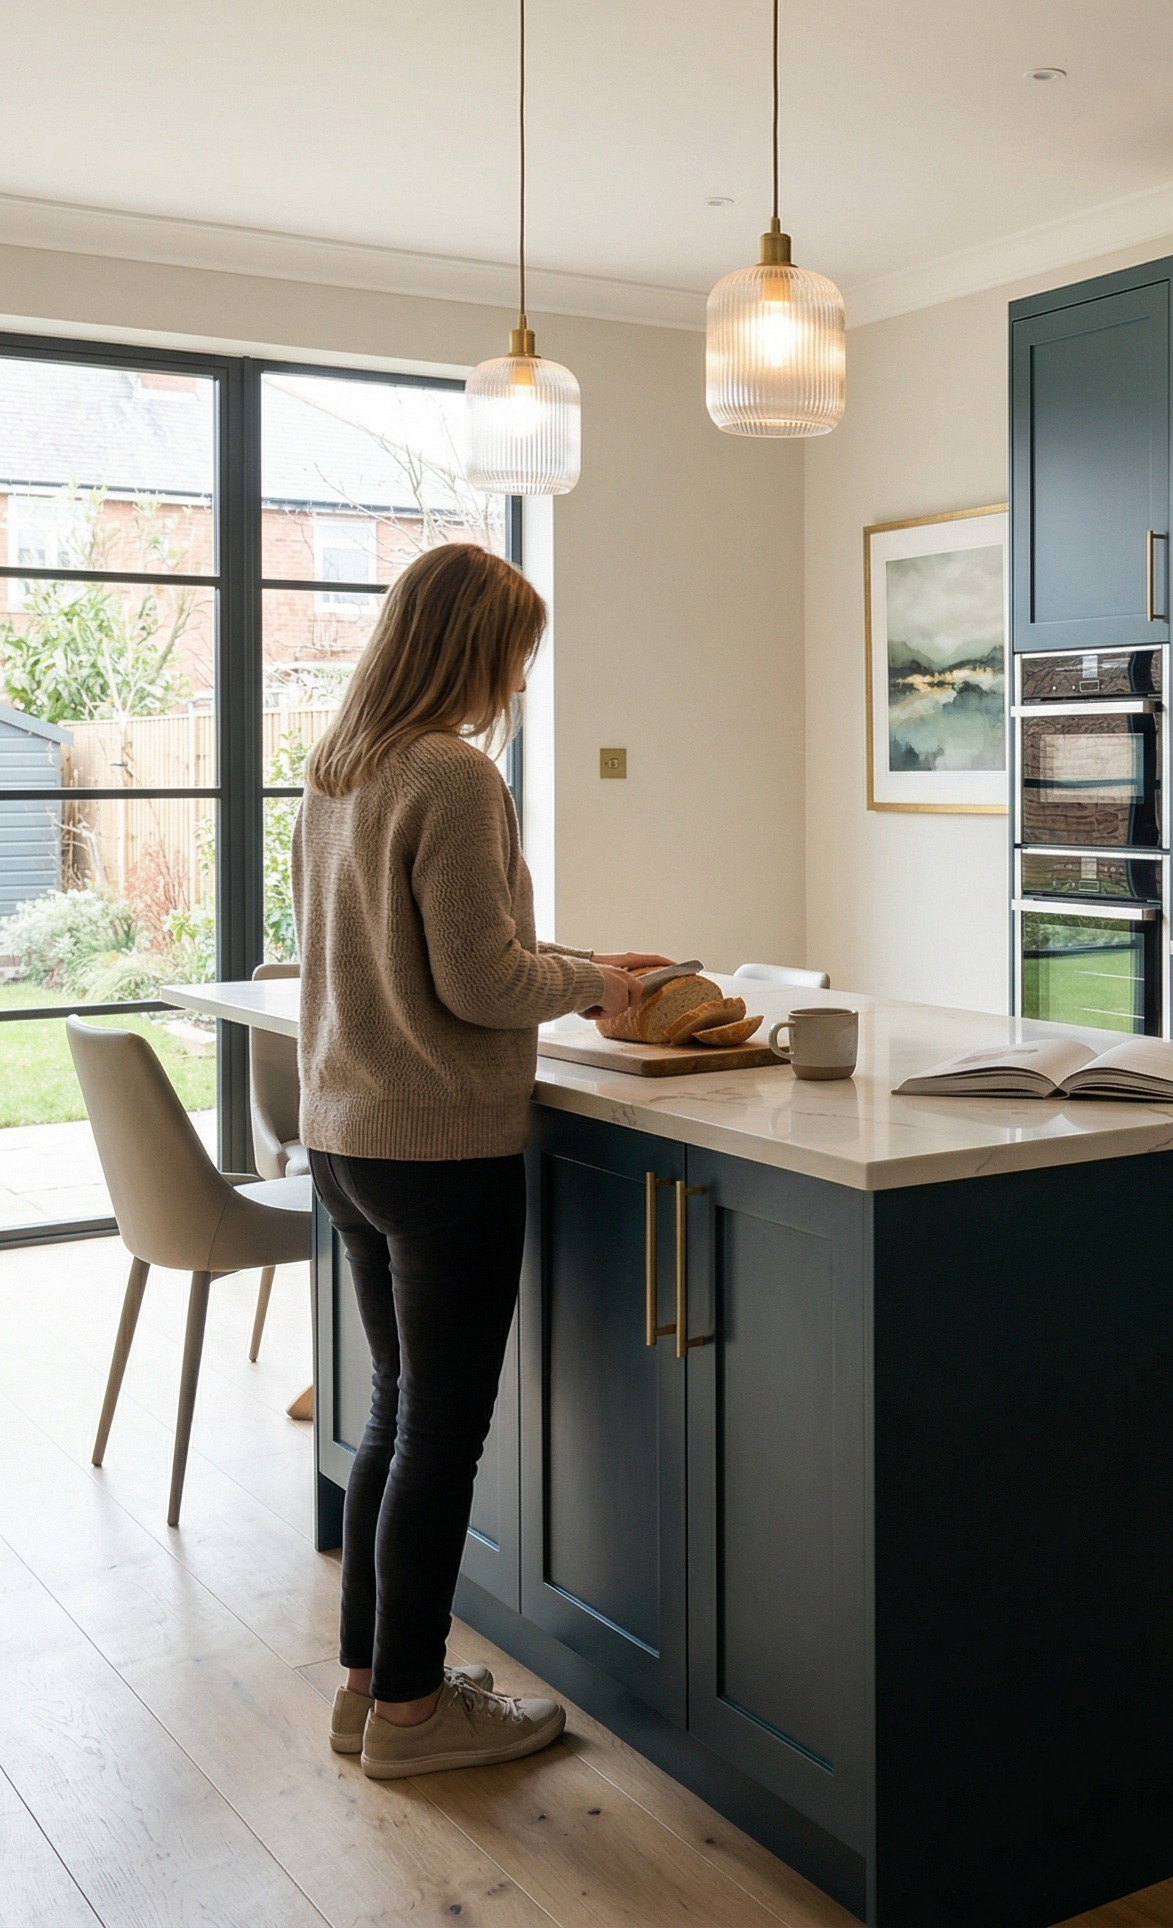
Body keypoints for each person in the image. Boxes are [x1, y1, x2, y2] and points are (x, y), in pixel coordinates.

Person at [293, 542, 664, 1780]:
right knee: (439, 1432)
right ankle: (413, 1715)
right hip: (439, 1145)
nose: (518, 676)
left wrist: (583, 964)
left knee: (392, 1412)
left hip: (348, 1136)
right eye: (515, 651)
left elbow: (434, 946)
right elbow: (478, 979)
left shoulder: (340, 767)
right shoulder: (451, 771)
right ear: (473, 648)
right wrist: (587, 981)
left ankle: (368, 1686)